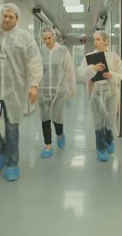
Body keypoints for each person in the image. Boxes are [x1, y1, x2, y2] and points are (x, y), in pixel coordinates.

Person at [0, 3, 42, 181]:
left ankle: (12, 164)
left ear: (17, 19)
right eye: (5, 15)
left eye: (11, 16)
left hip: (15, 89)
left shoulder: (25, 38)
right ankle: (1, 151)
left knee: (12, 128)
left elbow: (34, 62)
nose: (7, 19)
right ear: (1, 16)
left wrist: (34, 85)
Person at [77, 30, 122, 162]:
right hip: (96, 93)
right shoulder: (89, 57)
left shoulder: (115, 57)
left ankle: (109, 139)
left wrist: (112, 75)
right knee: (98, 121)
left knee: (110, 120)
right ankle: (100, 148)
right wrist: (92, 69)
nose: (96, 42)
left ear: (106, 41)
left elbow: (121, 74)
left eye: (98, 39)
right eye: (95, 40)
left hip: (112, 93)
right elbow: (80, 73)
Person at [38, 26, 76, 158]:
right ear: (41, 39)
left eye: (49, 38)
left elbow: (69, 70)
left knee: (57, 119)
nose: (47, 41)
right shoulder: (40, 51)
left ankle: (60, 134)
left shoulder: (62, 50)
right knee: (45, 119)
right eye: (44, 39)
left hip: (59, 91)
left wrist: (70, 89)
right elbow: (35, 70)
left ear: (54, 36)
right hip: (43, 91)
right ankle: (48, 146)